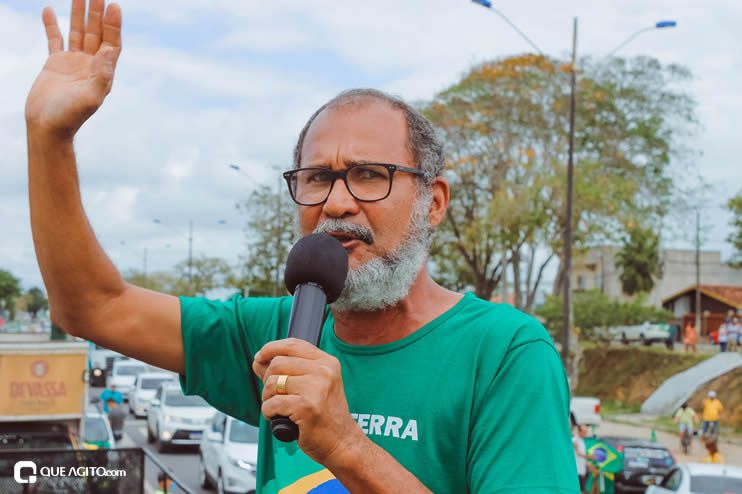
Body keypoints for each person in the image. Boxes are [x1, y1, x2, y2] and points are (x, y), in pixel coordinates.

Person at [25, 2, 579, 492]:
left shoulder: (505, 353)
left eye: (368, 174)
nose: (336, 203)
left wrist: (345, 447)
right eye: (316, 178)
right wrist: (50, 138)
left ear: (432, 203)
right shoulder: (276, 335)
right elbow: (91, 306)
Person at [573, 424, 597, 494]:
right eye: (584, 432)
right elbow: (578, 454)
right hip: (576, 471)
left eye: (586, 432)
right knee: (580, 491)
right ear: (579, 431)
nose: (585, 434)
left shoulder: (582, 441)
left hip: (582, 470)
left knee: (583, 490)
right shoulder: (574, 440)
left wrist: (588, 463)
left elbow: (580, 457)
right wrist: (591, 457)